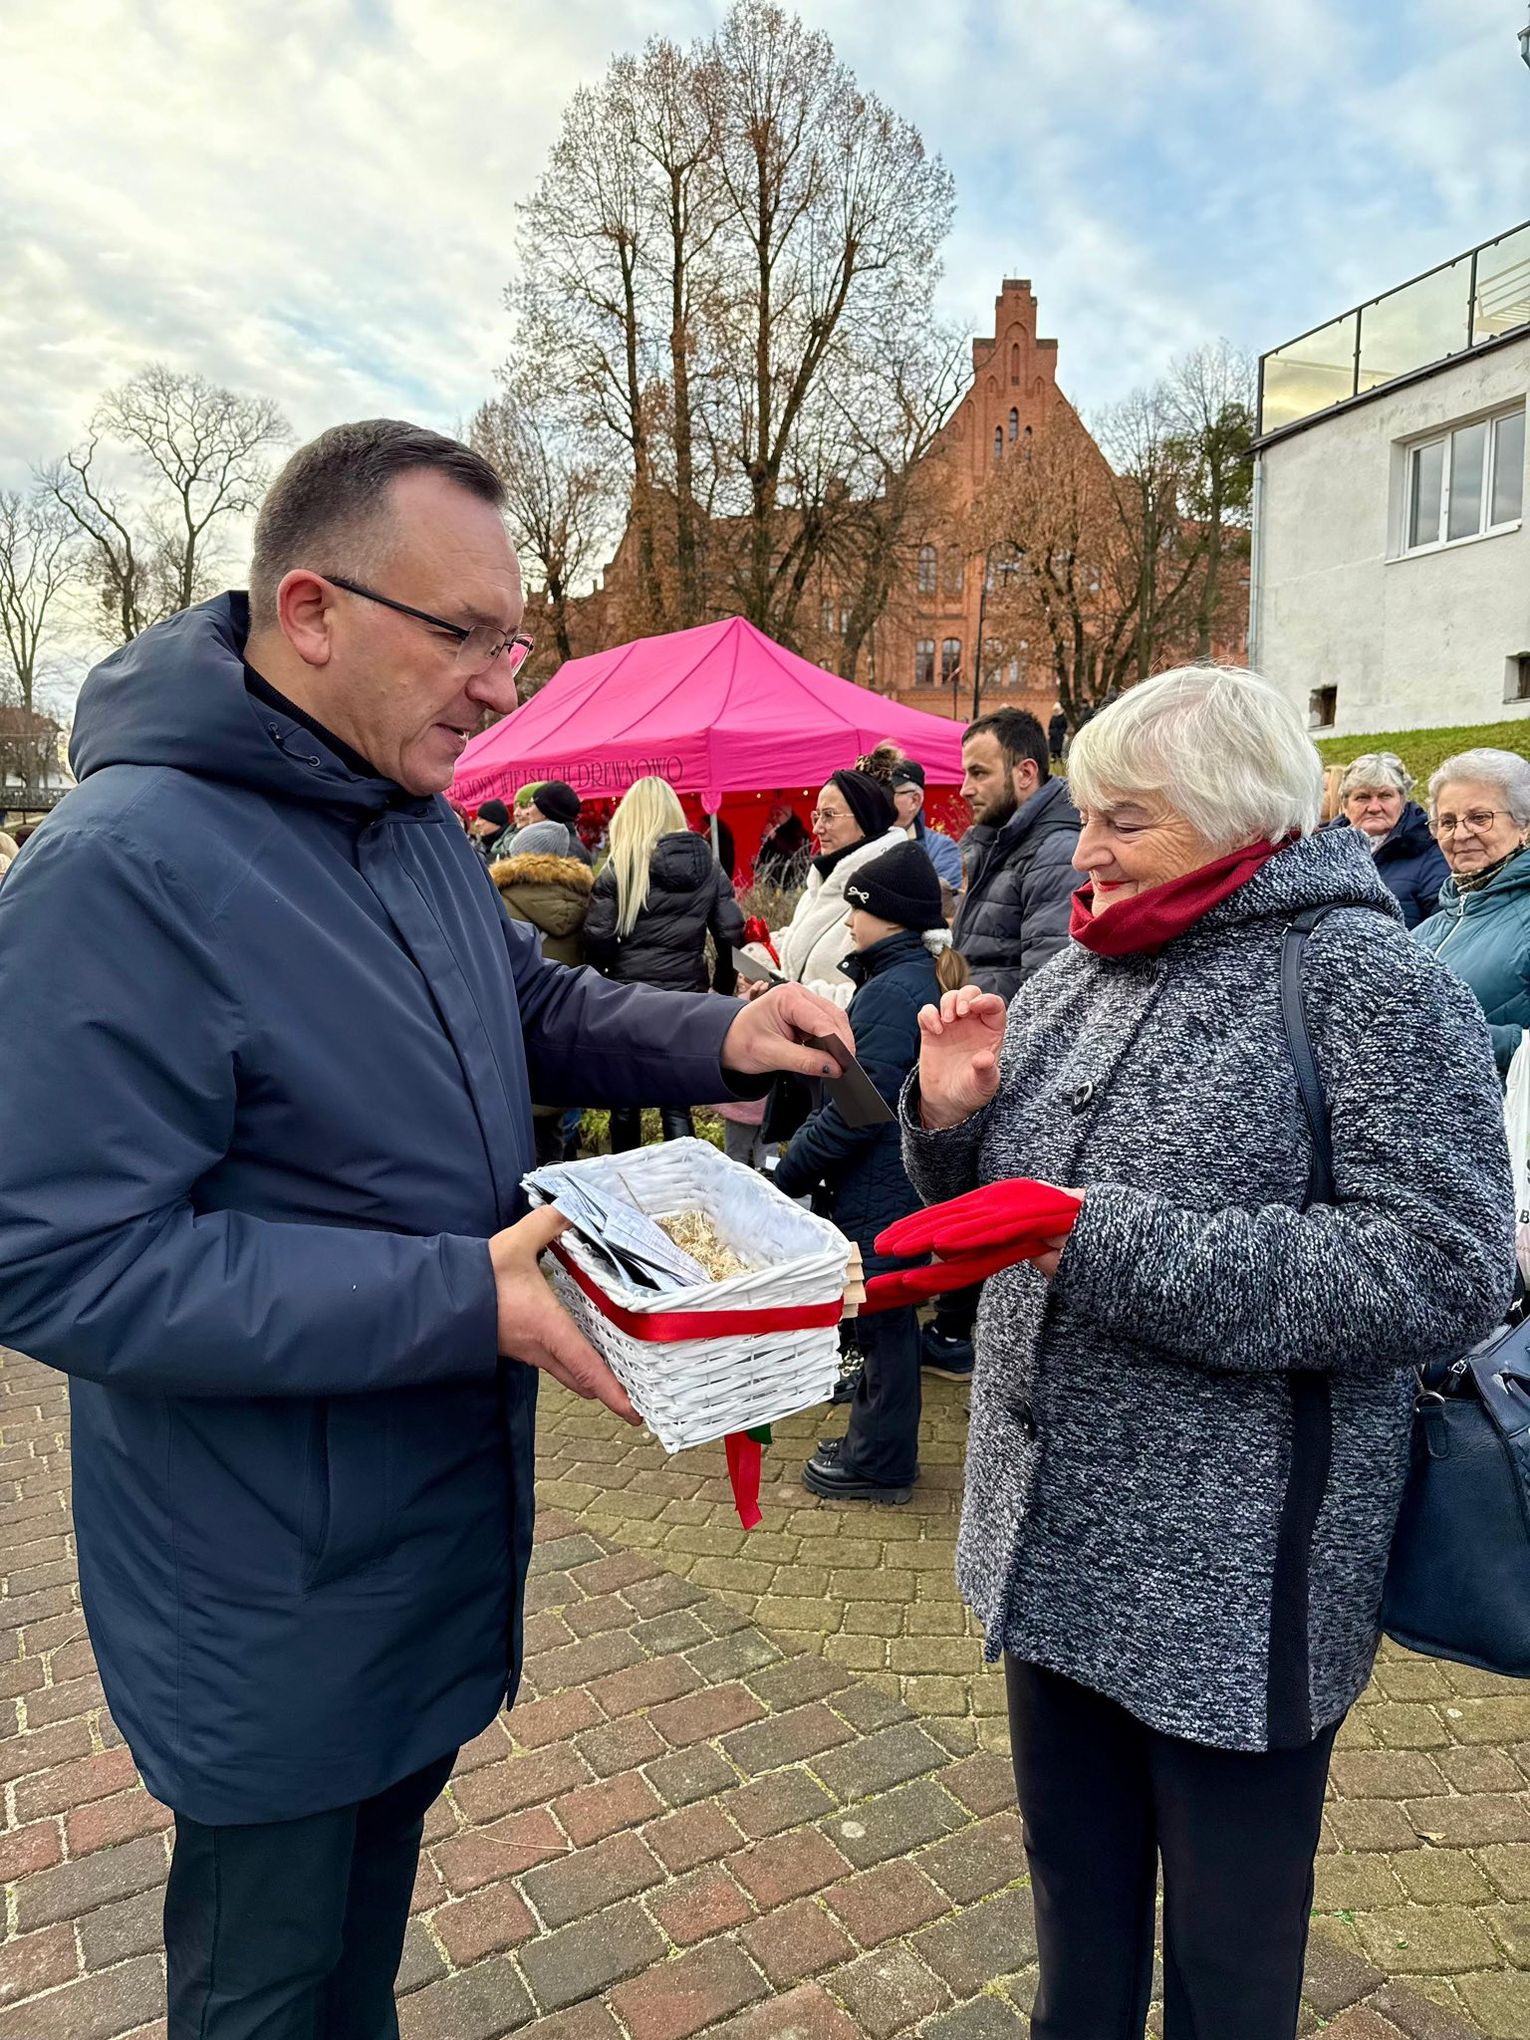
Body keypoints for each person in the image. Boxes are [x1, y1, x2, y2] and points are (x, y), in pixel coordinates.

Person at [0, 418, 853, 2037]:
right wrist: (462, 1301)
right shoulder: (119, 871)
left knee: (357, 1972)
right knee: (267, 1991)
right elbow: (61, 1259)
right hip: (263, 1582)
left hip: (423, 1540)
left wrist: (723, 1038)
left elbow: (526, 1008)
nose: (498, 687)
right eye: (466, 636)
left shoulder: (406, 823)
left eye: (513, 643)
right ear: (311, 612)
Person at [905, 665, 1513, 2040]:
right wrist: (949, 1120)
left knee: (1228, 1967)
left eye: (1126, 819)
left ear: (1243, 816)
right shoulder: (1083, 965)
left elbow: (1447, 1265)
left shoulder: (1367, 979)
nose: (1087, 850)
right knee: (1074, 1911)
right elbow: (1000, 1204)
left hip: (1233, 1586)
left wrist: (1101, 1242)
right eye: (1087, 814)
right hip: (1051, 1550)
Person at [777, 841, 967, 1502]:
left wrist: (790, 1170)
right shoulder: (905, 979)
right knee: (883, 1318)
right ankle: (872, 1441)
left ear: (885, 916)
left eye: (854, 909)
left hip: (879, 1186)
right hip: (894, 1183)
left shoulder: (890, 992)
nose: (848, 922)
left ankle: (880, 1461)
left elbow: (860, 1108)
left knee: (884, 1322)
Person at [926, 709, 1083, 1381]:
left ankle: (969, 1335)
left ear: (1025, 772)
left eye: (977, 772)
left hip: (1009, 1063)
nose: (964, 787)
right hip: (982, 1050)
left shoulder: (1053, 847)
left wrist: (998, 1050)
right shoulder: (1000, 840)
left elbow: (1052, 977)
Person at [585, 775, 745, 1153]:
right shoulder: (708, 866)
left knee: (624, 1103)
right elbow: (730, 934)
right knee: (676, 1102)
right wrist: (722, 990)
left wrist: (605, 979)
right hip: (684, 998)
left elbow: (598, 938)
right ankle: (684, 1181)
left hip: (628, 998)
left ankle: (625, 1181)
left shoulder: (621, 867)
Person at [1413, 747, 1530, 1075]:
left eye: (1480, 818)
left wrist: (1461, 1037)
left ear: (1524, 825)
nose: (1460, 834)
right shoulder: (1424, 931)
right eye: (1447, 822)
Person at [491, 819, 595, 1165]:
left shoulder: (498, 898)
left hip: (514, 1016)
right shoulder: (586, 899)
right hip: (566, 1014)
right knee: (554, 1117)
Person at [766, 754, 906, 999]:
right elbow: (800, 965)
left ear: (865, 821)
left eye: (829, 816)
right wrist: (764, 967)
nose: (817, 828)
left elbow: (880, 994)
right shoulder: (821, 882)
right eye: (817, 815)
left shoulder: (888, 891)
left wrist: (791, 997)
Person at [1326, 752, 1448, 928]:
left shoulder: (1430, 850)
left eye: (1385, 796)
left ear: (1403, 801)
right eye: (1362, 797)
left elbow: (1441, 925)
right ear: (1345, 805)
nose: (1374, 807)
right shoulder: (1324, 850)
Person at [888, 756, 963, 893]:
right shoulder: (861, 837)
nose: (879, 797)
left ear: (914, 800)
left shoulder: (942, 849)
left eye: (889, 792)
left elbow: (944, 902)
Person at [527, 778, 591, 864]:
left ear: (544, 811)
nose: (527, 812)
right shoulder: (564, 844)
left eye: (531, 804)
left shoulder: (561, 851)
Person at [468, 795, 514, 862]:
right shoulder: (477, 845)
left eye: (481, 819)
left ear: (495, 820)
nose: (476, 824)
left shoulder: (511, 844)